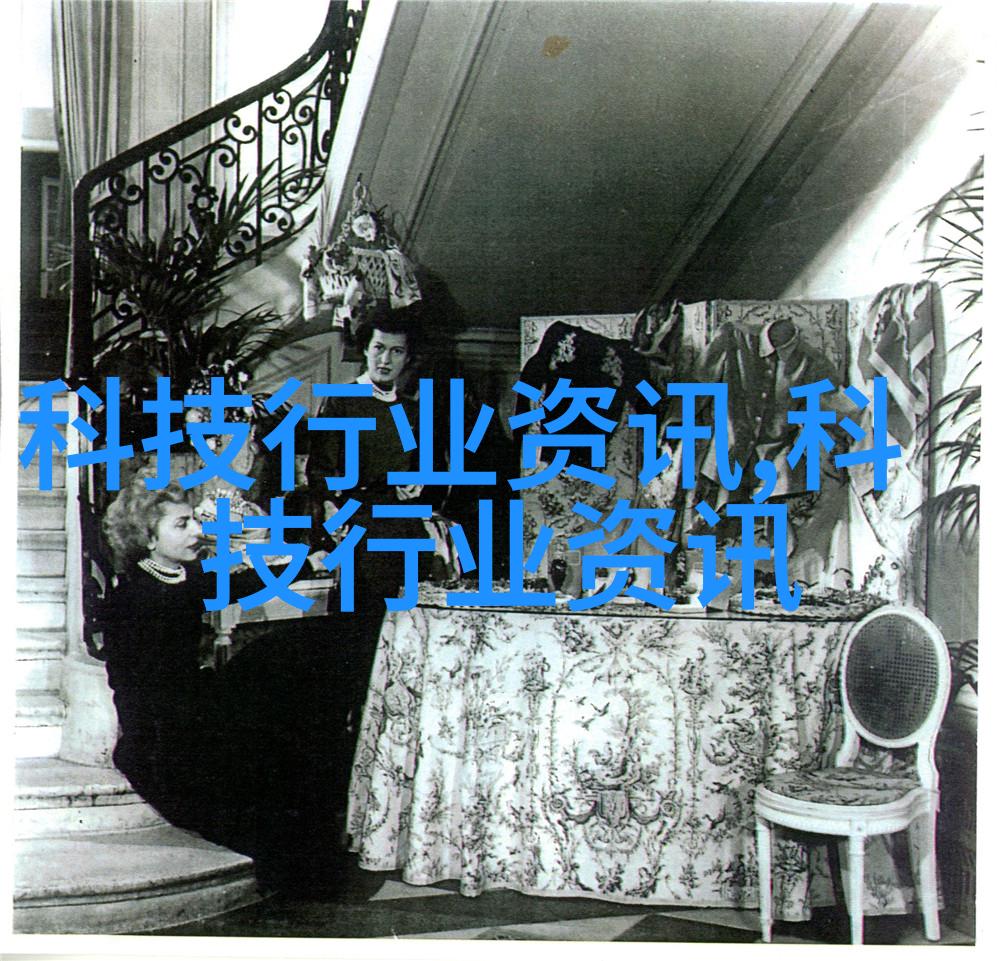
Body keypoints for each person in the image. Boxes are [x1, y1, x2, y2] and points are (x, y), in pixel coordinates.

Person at [100, 470, 337, 893]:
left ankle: (307, 862)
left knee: (288, 657)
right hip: (163, 731)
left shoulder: (182, 577)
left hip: (193, 703)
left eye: (194, 519)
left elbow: (240, 583)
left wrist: (305, 562)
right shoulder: (134, 596)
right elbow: (130, 686)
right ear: (148, 538)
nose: (197, 531)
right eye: (182, 524)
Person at [305, 306, 428, 828]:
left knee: (403, 657)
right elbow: (321, 478)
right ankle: (343, 796)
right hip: (363, 540)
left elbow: (425, 471)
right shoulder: (342, 400)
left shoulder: (415, 409)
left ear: (407, 358)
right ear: (366, 350)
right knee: (356, 659)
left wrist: (420, 484)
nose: (385, 359)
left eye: (396, 351)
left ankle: (391, 792)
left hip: (407, 538)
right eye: (378, 348)